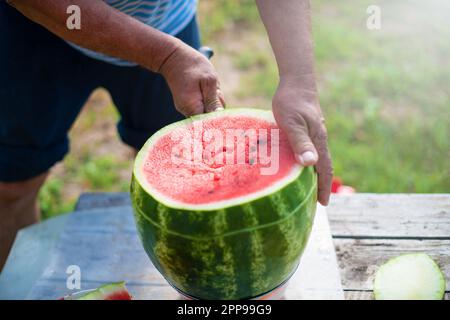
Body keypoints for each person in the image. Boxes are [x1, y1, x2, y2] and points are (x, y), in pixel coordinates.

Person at [0, 0, 333, 270]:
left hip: (166, 25)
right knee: (11, 187)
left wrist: (299, 80)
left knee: (185, 196)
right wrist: (164, 56)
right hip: (39, 28)